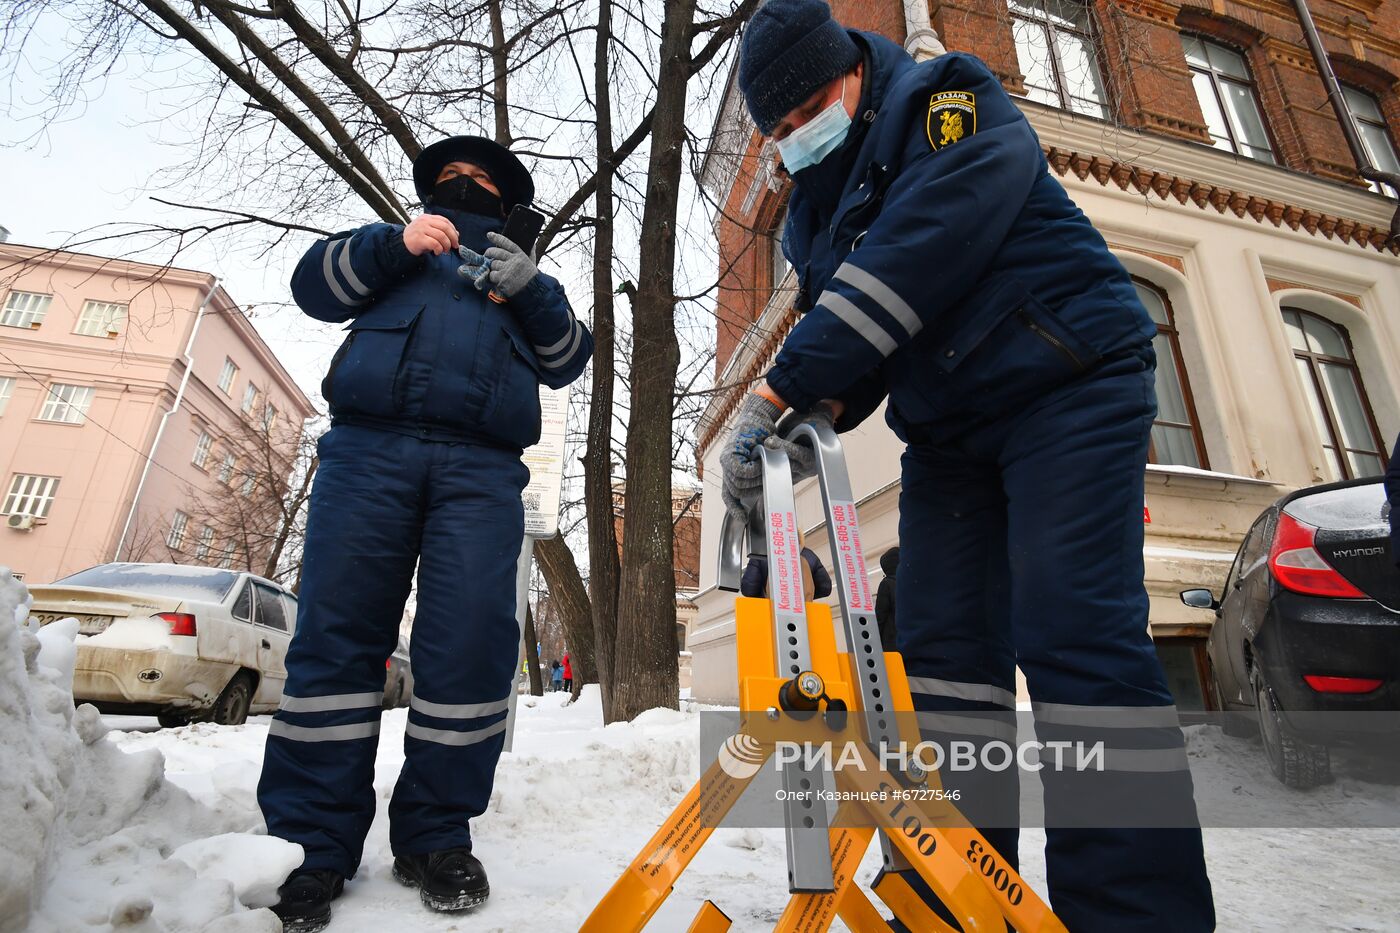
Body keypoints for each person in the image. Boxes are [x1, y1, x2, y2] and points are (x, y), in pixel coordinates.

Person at [721, 3, 1214, 930]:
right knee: (942, 657)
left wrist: (784, 389)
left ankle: (1135, 914)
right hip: (951, 429)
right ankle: (952, 898)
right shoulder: (812, 218)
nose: (794, 141)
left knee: (1073, 634)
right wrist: (807, 418)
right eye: (777, 133)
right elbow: (864, 341)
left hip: (1067, 377)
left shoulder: (949, 101)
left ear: (852, 76)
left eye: (806, 113)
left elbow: (925, 249)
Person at [259, 135, 592, 933]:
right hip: (368, 452)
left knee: (473, 646)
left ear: (507, 202)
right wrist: (393, 243)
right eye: (450, 179)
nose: (463, 187)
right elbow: (312, 285)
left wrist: (533, 289)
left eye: (479, 181)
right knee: (336, 642)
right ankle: (310, 843)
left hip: (481, 472)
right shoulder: (393, 251)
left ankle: (436, 834)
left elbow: (569, 358)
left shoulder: (522, 280)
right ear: (427, 194)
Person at [875, 546, 898, 649]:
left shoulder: (886, 584)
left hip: (892, 644)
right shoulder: (910, 583)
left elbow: (880, 617)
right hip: (911, 642)